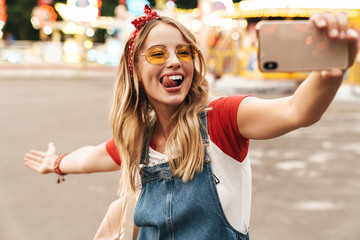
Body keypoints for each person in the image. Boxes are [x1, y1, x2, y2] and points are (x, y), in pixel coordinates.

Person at [24, 5, 359, 240]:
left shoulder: (222, 118)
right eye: (158, 54)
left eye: (184, 52)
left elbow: (297, 111)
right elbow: (93, 156)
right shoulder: (138, 137)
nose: (175, 61)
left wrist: (329, 74)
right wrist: (57, 163)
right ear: (135, 73)